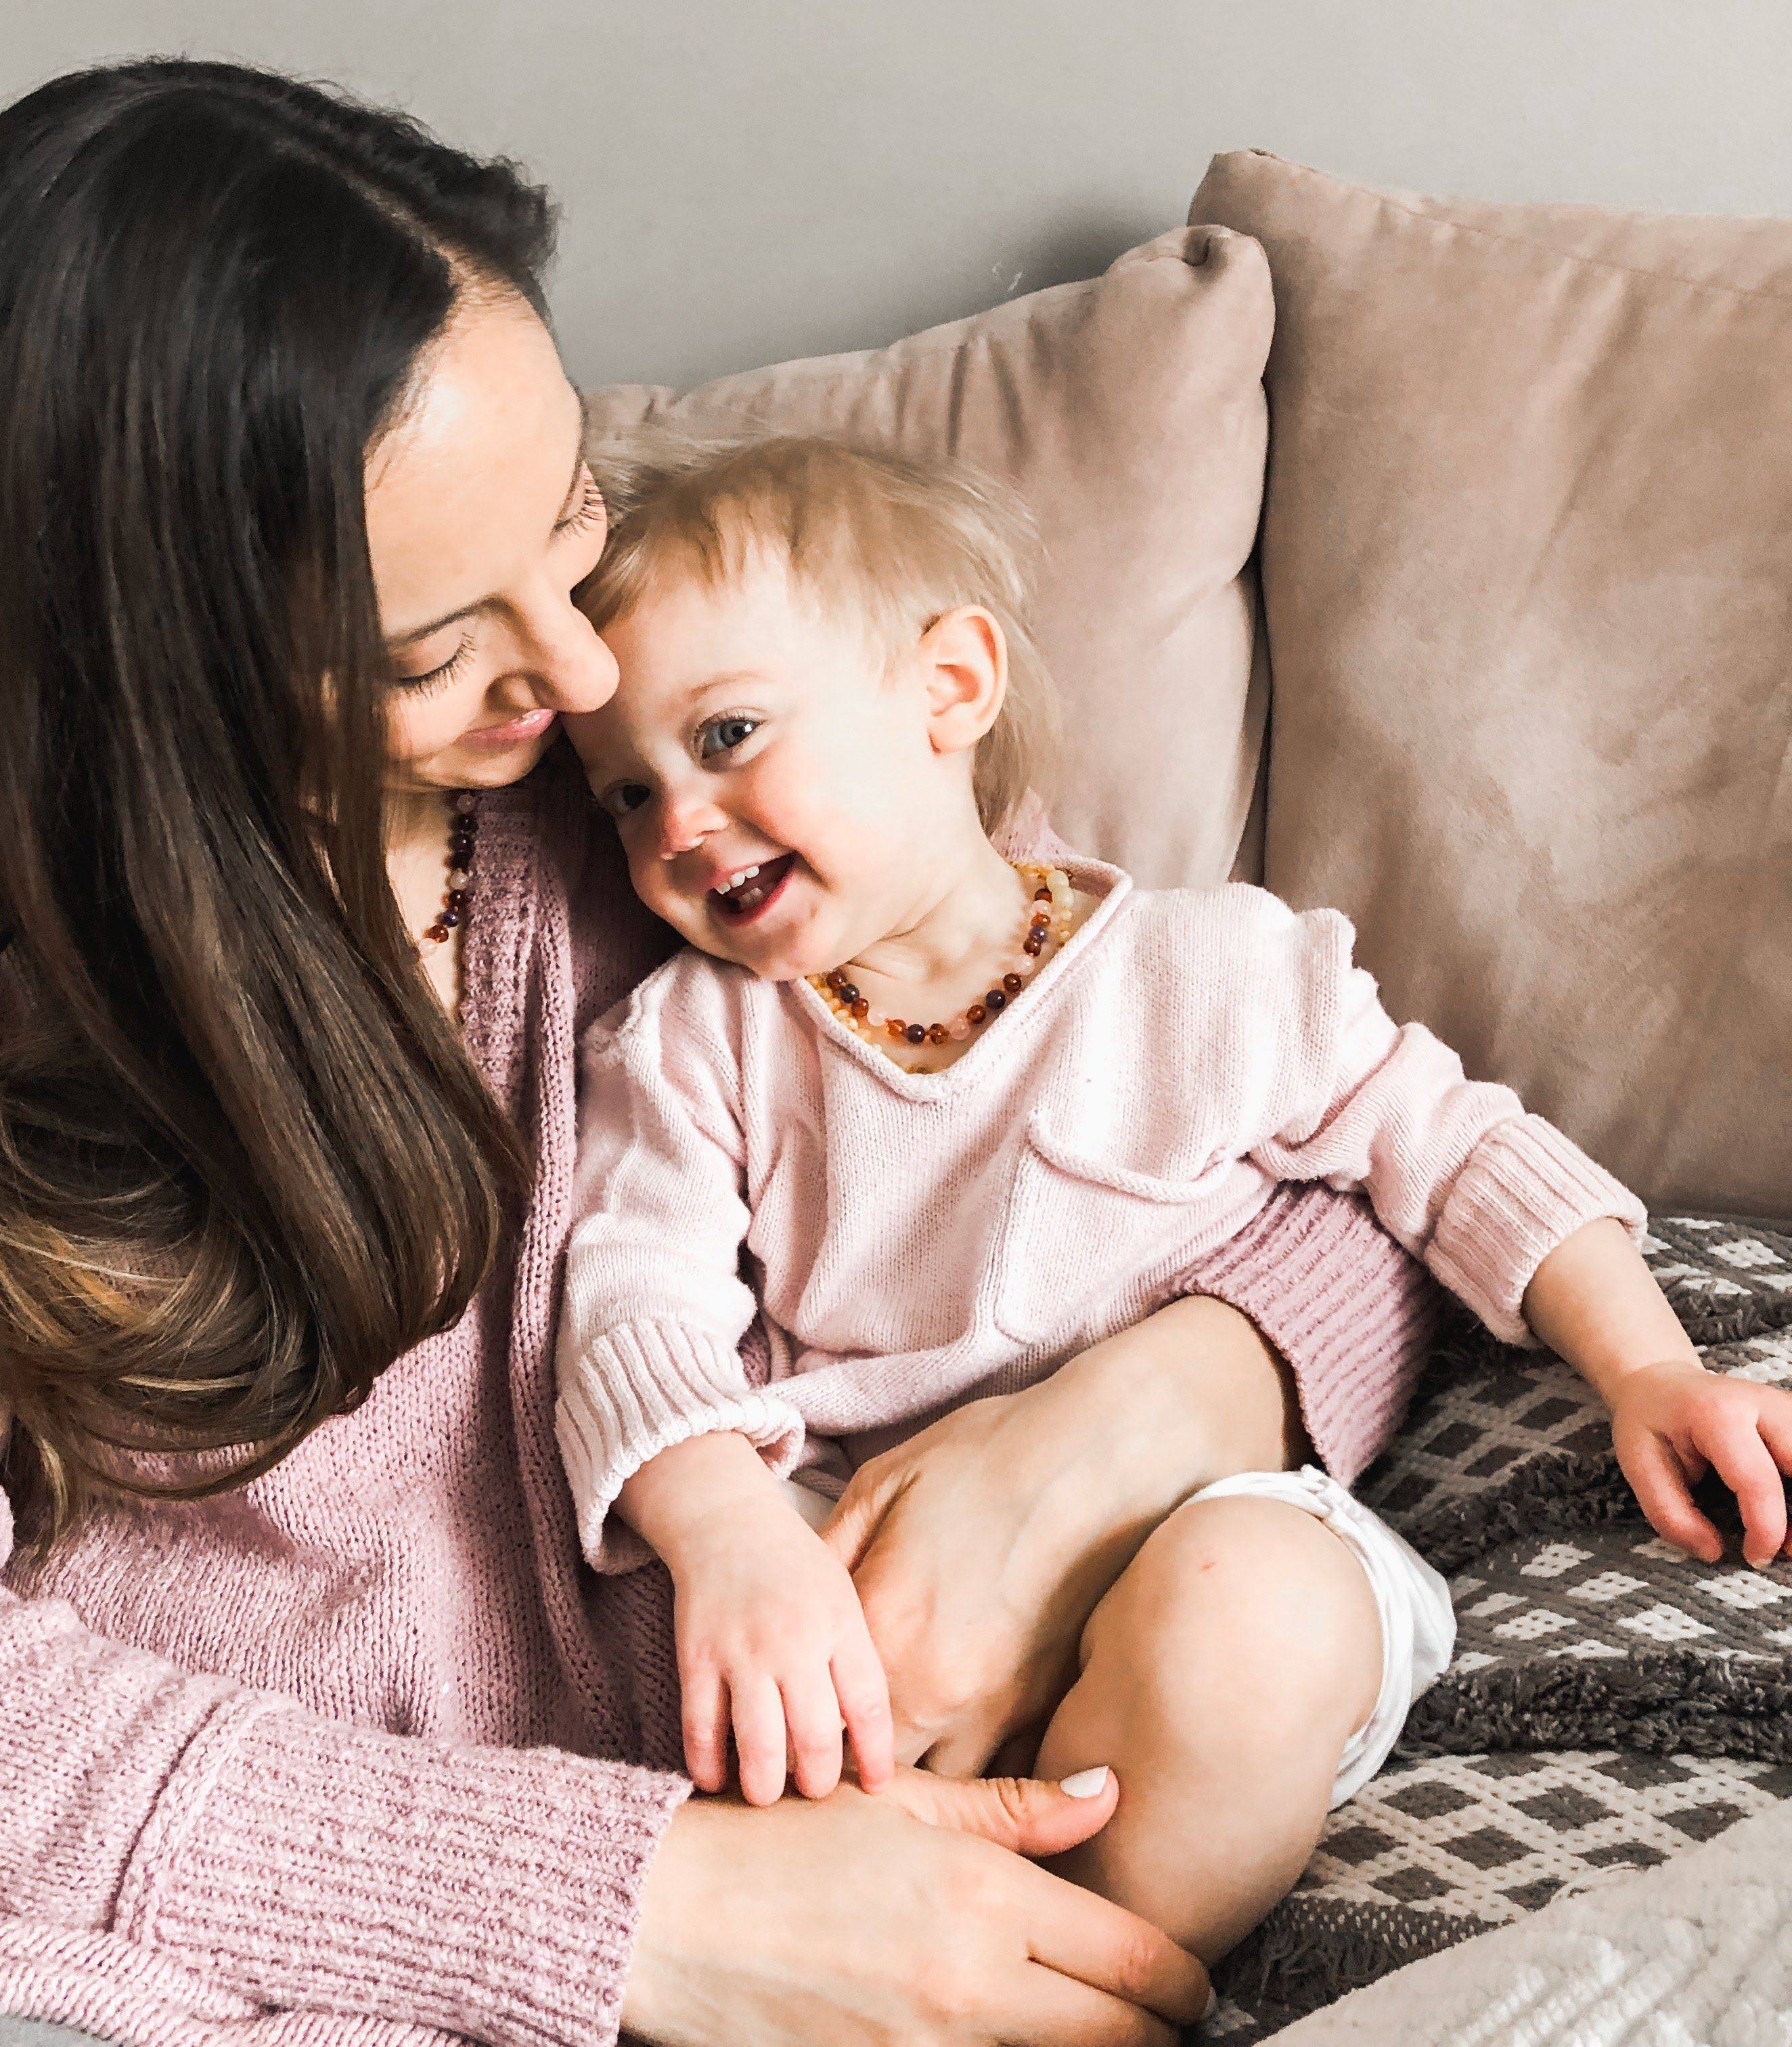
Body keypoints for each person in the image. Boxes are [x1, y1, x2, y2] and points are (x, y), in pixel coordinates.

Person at [0, 59, 1450, 2047]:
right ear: (143, 678)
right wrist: (637, 1909)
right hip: (232, 1968)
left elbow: (1290, 1132)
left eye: (564, 517)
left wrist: (1116, 1433)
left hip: (862, 1830)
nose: (571, 677)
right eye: (423, 650)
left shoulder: (693, 764)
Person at [555, 431, 1792, 1962]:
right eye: (621, 794)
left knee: (1255, 1610)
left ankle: (1106, 1967)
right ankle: (929, 1950)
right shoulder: (690, 1043)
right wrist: (735, 1541)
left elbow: (1461, 1151)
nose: (675, 823)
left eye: (728, 734)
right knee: (776, 1680)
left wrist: (1649, 1364)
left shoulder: (1217, 969)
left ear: (949, 690)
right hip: (876, 1567)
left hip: (1209, 1522)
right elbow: (631, 1306)